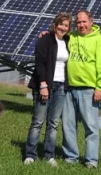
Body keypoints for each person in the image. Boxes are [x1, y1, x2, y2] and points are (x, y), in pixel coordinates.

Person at [62, 10, 101, 168]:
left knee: (91, 127)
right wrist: (44, 34)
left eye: (84, 22)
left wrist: (100, 87)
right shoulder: (72, 37)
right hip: (70, 88)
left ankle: (91, 161)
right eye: (78, 22)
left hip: (89, 89)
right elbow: (57, 35)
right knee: (68, 125)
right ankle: (71, 157)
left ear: (91, 22)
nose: (81, 25)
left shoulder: (99, 41)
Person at [23, 12, 72, 167]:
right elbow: (39, 64)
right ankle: (30, 155)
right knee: (38, 121)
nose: (63, 28)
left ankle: (49, 155)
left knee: (53, 123)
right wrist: (43, 85)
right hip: (45, 85)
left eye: (66, 25)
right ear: (55, 24)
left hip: (61, 87)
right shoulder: (45, 39)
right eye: (61, 24)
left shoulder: (69, 41)